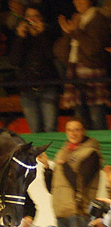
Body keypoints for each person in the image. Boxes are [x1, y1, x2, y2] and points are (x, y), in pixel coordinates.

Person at [54, 0, 111, 130]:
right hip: (75, 73)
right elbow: (61, 54)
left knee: (97, 117)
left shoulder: (98, 19)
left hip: (92, 72)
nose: (77, 3)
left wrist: (76, 31)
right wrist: (68, 33)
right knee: (80, 119)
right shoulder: (77, 20)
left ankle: (100, 149)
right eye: (75, 1)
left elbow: (92, 49)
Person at [10, 4, 60, 132]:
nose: (31, 20)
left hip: (47, 87)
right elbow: (14, 61)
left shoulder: (49, 34)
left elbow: (51, 56)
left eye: (35, 17)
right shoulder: (20, 37)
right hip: (27, 90)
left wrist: (41, 34)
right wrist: (20, 37)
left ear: (41, 18)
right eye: (28, 17)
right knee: (35, 130)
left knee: (50, 128)